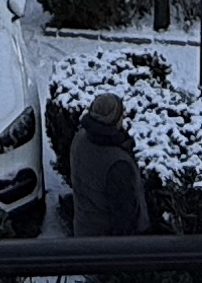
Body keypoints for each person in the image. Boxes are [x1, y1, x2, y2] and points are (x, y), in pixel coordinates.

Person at [65, 91, 152, 237]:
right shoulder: (117, 163)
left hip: (84, 229)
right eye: (121, 115)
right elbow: (124, 218)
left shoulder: (80, 138)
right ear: (115, 120)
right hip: (107, 245)